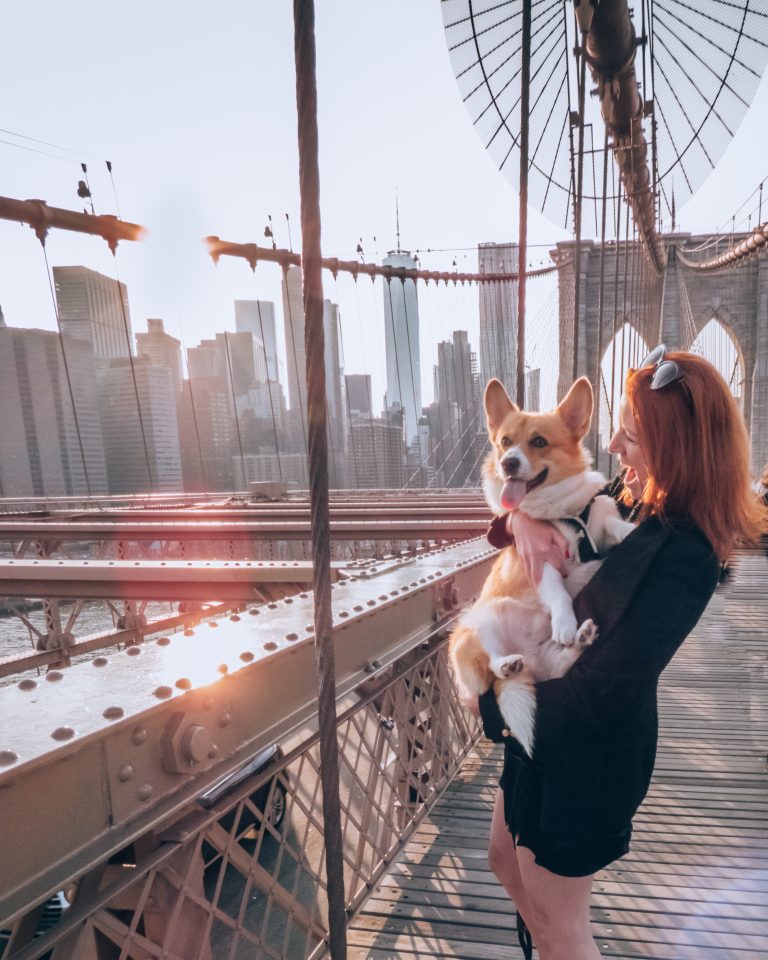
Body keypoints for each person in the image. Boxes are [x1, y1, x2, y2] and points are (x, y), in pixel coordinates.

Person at [474, 348, 767, 960]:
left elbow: (605, 688)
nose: (611, 444)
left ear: (676, 449)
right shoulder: (635, 500)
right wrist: (521, 525)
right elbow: (540, 504)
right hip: (542, 726)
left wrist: (497, 709)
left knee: (561, 928)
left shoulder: (687, 554)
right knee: (503, 859)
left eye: (630, 436)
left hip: (586, 753)